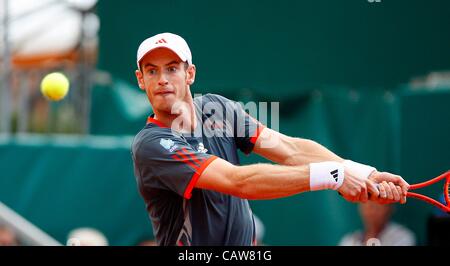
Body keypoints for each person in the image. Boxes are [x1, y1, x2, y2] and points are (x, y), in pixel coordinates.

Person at [131, 32, 410, 246]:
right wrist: (334, 175)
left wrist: (361, 172)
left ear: (189, 73)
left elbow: (288, 148)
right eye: (152, 71)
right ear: (141, 79)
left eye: (171, 68)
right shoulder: (152, 145)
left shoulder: (216, 108)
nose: (162, 79)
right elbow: (238, 182)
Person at [339, 201, 416, 246]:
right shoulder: (349, 240)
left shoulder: (402, 237)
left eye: (377, 206)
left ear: (390, 209)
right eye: (367, 206)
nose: (371, 211)